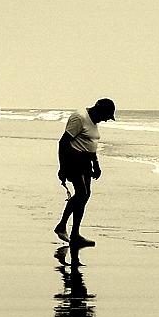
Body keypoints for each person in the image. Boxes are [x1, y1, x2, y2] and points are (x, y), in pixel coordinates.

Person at [54, 98, 117, 248]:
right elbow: (63, 142)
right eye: (106, 116)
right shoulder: (80, 118)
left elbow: (91, 144)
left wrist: (96, 165)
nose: (107, 120)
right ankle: (61, 226)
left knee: (86, 195)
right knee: (81, 193)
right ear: (98, 109)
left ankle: (75, 234)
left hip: (86, 162)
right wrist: (62, 168)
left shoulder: (94, 121)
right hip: (73, 159)